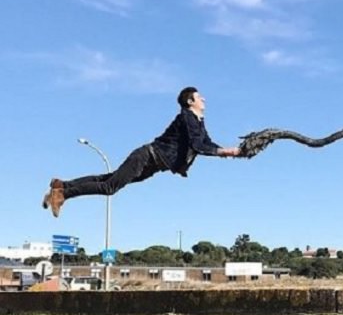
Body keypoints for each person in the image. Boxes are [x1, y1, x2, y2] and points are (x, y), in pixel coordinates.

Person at [42, 86, 240, 218]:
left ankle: (61, 185)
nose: (203, 99)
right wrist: (226, 152)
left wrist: (231, 151)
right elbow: (198, 146)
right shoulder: (187, 117)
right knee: (109, 187)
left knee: (109, 179)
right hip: (147, 157)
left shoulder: (197, 121)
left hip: (151, 165)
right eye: (199, 97)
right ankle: (62, 194)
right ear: (190, 101)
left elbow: (206, 142)